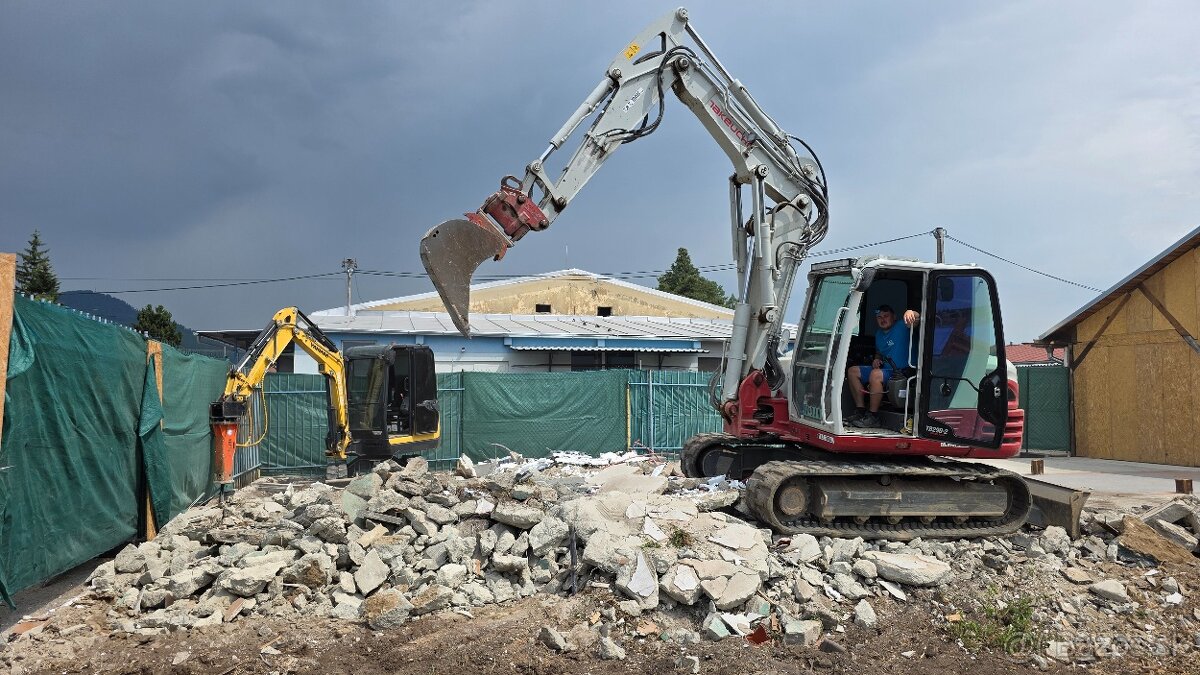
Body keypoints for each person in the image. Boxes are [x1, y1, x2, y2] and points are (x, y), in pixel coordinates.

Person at [845, 304, 920, 428]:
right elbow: (880, 352)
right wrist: (876, 359)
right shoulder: (879, 334)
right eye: (879, 317)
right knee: (852, 371)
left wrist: (911, 312)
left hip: (903, 371)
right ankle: (861, 411)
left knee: (875, 375)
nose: (882, 319)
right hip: (886, 369)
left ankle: (873, 417)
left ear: (894, 317)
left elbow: (917, 319)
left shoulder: (902, 326)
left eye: (886, 316)